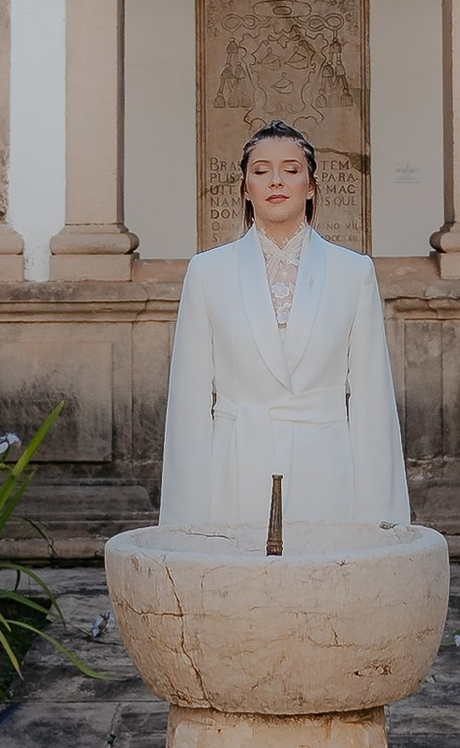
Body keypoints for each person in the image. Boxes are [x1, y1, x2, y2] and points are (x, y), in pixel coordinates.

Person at [157, 118, 412, 532]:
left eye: (291, 169)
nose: (276, 180)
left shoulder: (352, 272)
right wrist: (183, 522)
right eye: (261, 170)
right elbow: (189, 404)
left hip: (325, 469)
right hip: (234, 469)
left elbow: (372, 401)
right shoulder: (207, 272)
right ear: (245, 187)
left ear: (311, 186)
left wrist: (380, 519)